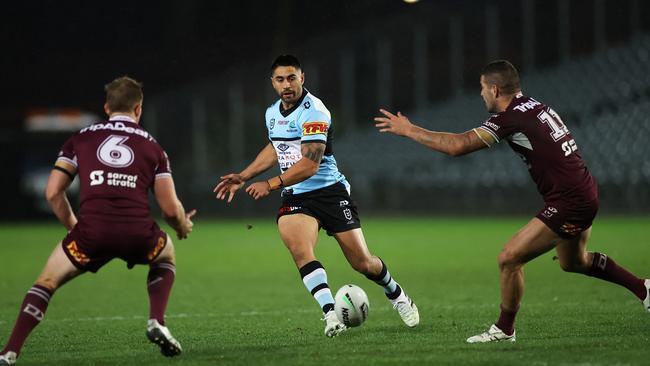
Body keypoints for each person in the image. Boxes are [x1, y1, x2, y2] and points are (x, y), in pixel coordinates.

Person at [373, 60, 650, 343]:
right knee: (574, 262)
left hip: (570, 200)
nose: (481, 94)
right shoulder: (532, 105)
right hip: (583, 190)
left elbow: (458, 146)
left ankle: (505, 329)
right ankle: (644, 289)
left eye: (482, 88)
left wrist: (409, 130)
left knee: (509, 259)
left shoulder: (510, 117)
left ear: (494, 89)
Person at [214, 54, 419, 337]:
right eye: (280, 79)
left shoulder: (315, 111)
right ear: (272, 83)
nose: (287, 84)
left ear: (302, 78)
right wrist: (245, 175)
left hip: (330, 193)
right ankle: (330, 315)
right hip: (297, 196)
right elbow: (276, 147)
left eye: (292, 77)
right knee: (300, 250)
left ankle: (396, 293)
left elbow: (310, 164)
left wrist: (270, 184)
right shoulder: (272, 112)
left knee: (363, 263)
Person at [0, 76, 196, 365]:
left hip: (91, 234)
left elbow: (53, 192)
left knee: (46, 283)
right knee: (165, 252)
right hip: (138, 234)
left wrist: (76, 229)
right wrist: (182, 226)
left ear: (107, 107)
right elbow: (169, 209)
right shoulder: (154, 148)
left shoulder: (81, 138)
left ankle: (9, 352)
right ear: (138, 109)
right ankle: (157, 321)